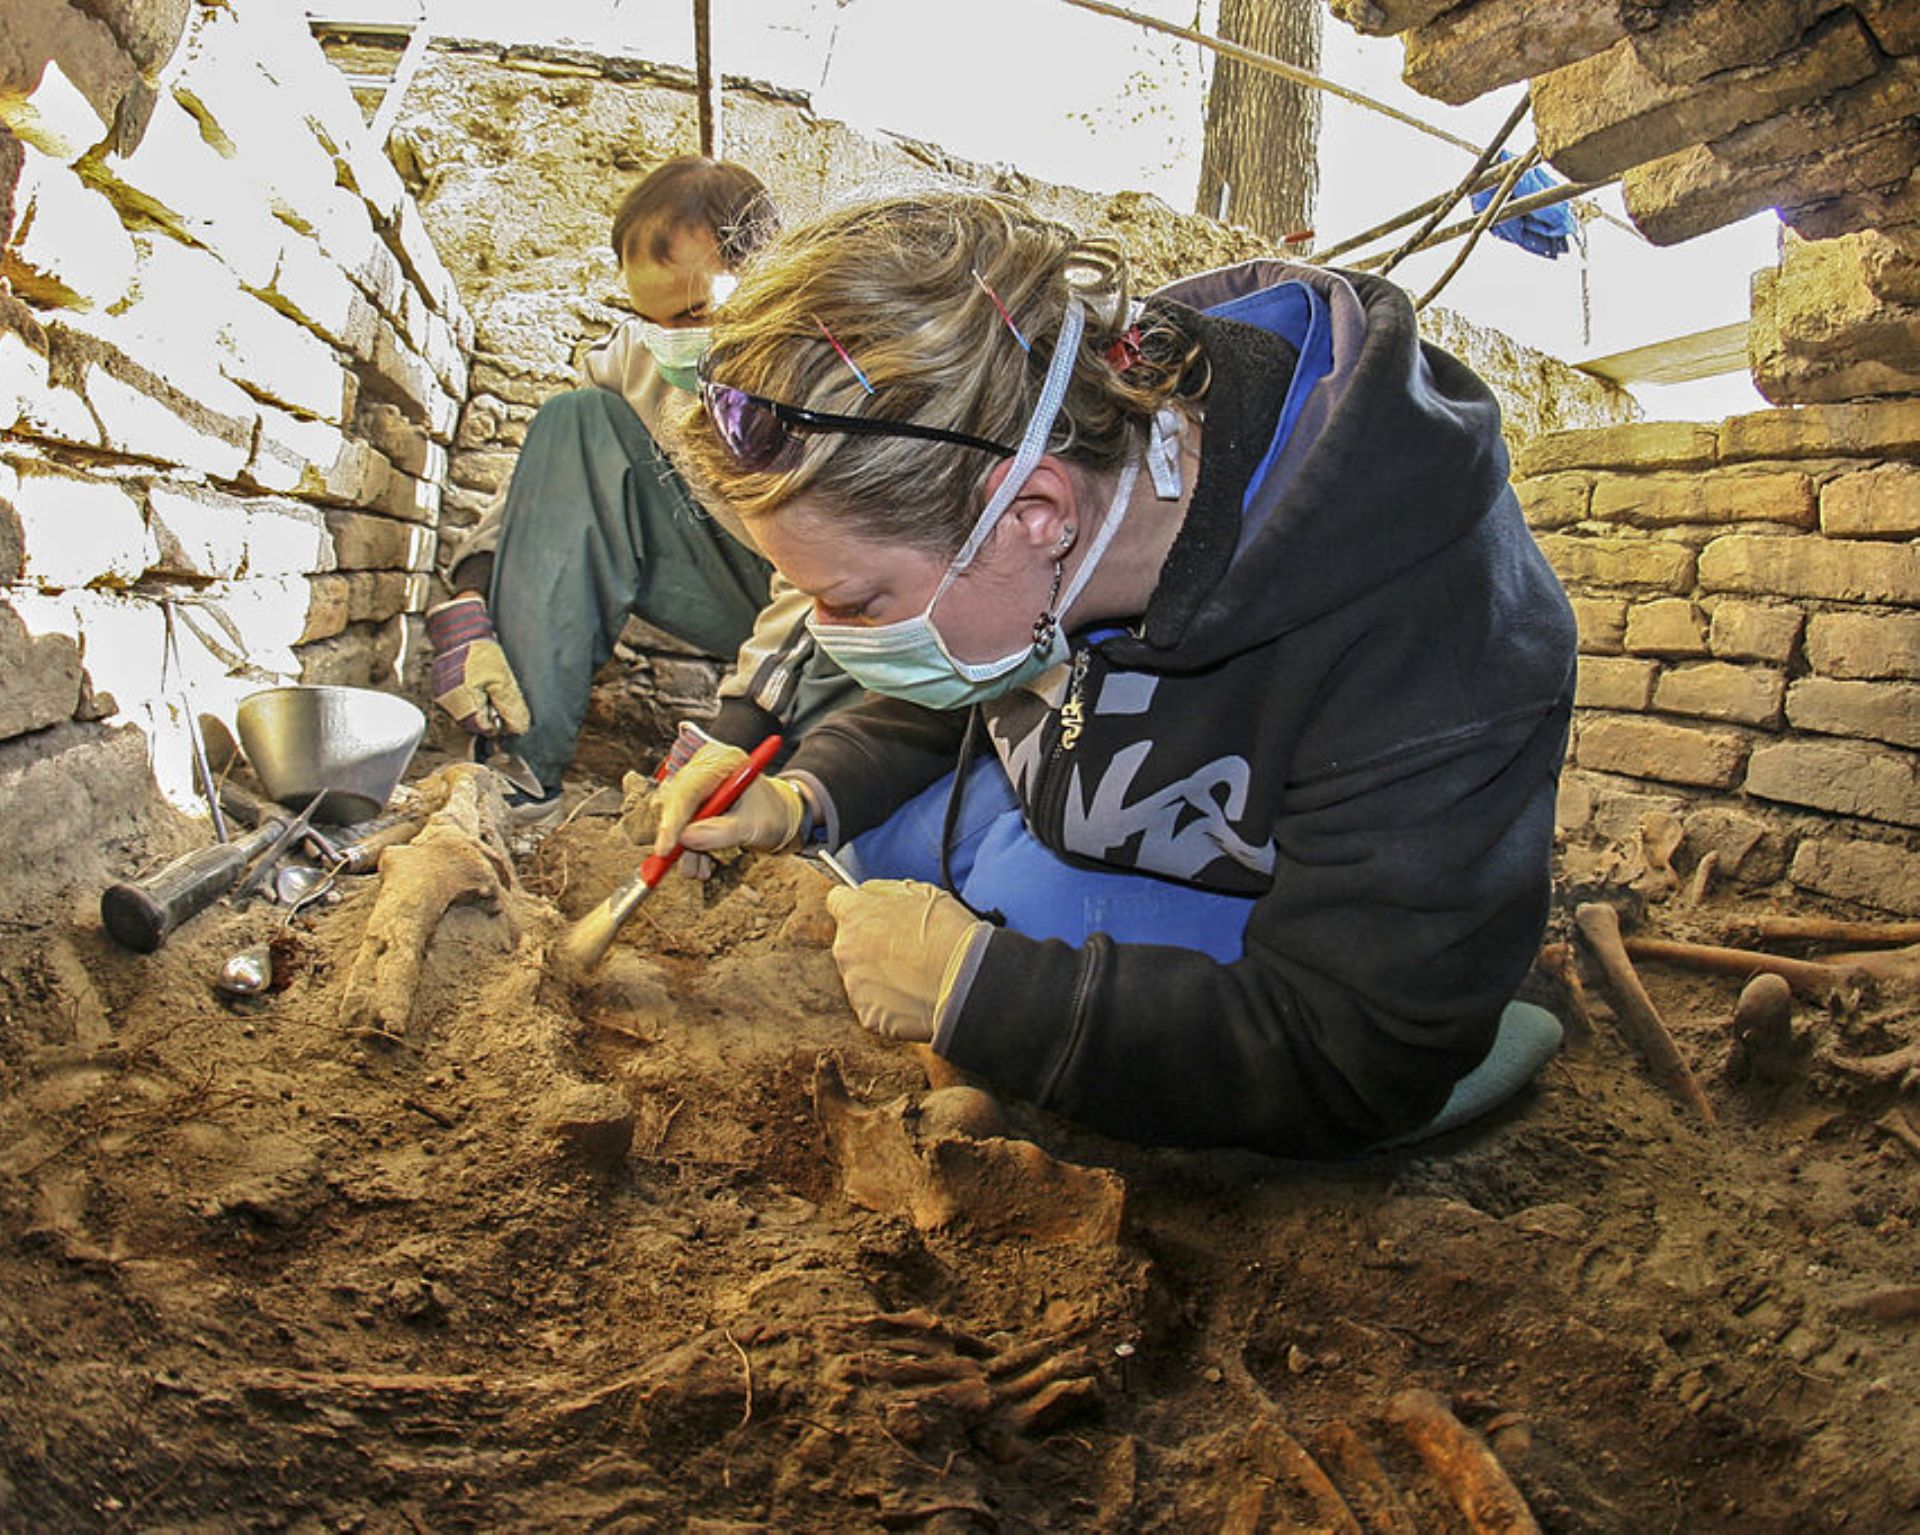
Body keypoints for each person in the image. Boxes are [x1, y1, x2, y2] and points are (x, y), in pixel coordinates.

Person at [654, 190, 1577, 1159]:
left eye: (859, 602)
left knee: (1033, 923)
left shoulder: (1425, 626)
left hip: (1317, 948)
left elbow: (1356, 1045)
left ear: (1033, 513)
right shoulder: (1067, 439)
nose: (830, 634)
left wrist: (984, 991)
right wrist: (802, 793)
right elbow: (962, 682)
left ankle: (1479, 1034)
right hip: (1071, 805)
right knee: (877, 849)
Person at [427, 156, 858, 813]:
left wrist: (733, 730)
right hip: (727, 585)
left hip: (837, 619)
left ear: (766, 271)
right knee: (573, 417)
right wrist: (469, 596)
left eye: (692, 313)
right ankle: (517, 765)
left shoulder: (827, 379)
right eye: (652, 319)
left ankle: (803, 764)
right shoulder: (641, 353)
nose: (671, 342)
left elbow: (824, 580)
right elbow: (549, 472)